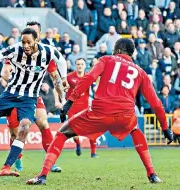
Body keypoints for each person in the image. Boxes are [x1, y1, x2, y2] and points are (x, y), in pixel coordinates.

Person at [27, 39, 173, 185]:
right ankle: (152, 174)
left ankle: (42, 176)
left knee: (62, 133)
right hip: (125, 115)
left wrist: (69, 102)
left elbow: (89, 78)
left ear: (119, 50)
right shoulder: (140, 72)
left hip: (100, 111)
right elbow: (156, 103)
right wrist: (165, 128)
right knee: (135, 130)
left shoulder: (106, 59)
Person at [0, 27, 67, 177]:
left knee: (25, 127)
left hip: (29, 98)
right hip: (9, 95)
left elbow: (61, 61)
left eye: (28, 42)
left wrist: (63, 80)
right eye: (23, 42)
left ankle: (6, 166)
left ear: (37, 40)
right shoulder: (15, 49)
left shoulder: (48, 52)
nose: (25, 46)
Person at [0, 21, 65, 173]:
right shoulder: (17, 52)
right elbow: (4, 72)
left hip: (34, 96)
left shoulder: (45, 54)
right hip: (15, 96)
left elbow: (55, 75)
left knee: (43, 123)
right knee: (15, 132)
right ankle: (17, 159)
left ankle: (51, 161)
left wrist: (61, 86)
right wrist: (17, 85)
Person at [62, 58, 98, 158]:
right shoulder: (69, 77)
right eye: (78, 64)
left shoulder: (88, 77)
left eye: (82, 64)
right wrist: (61, 98)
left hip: (85, 108)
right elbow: (61, 87)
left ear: (85, 65)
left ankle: (93, 152)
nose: (80, 66)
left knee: (92, 129)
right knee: (75, 131)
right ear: (75, 65)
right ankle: (78, 144)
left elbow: (95, 87)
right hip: (72, 108)